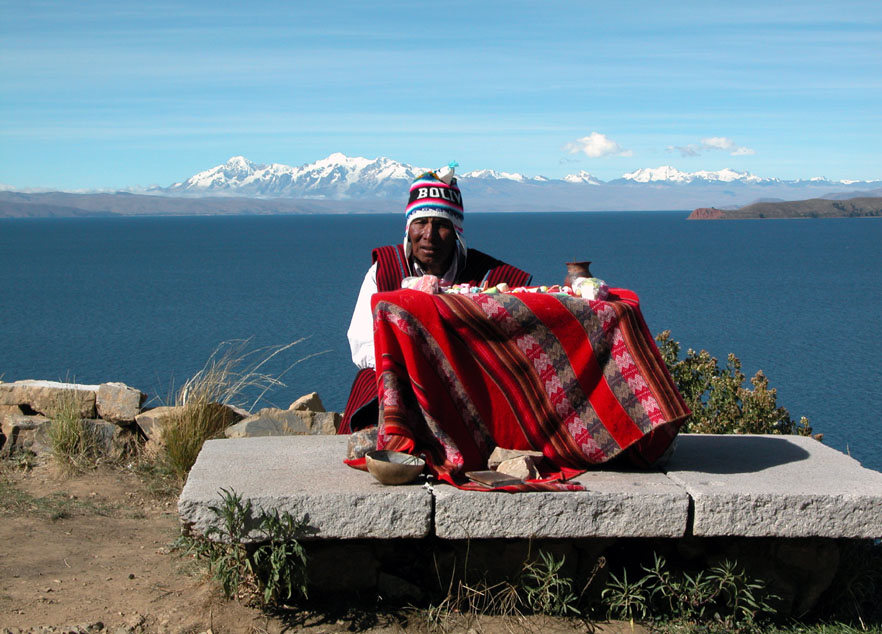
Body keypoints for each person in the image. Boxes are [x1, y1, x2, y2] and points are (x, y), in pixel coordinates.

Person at [339, 164, 532, 434]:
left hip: (471, 384)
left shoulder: (491, 277)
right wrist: (407, 367)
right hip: (398, 375)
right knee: (371, 382)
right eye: (420, 223)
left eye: (441, 225)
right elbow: (363, 342)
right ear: (409, 229)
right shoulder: (384, 271)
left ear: (456, 233)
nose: (428, 235)